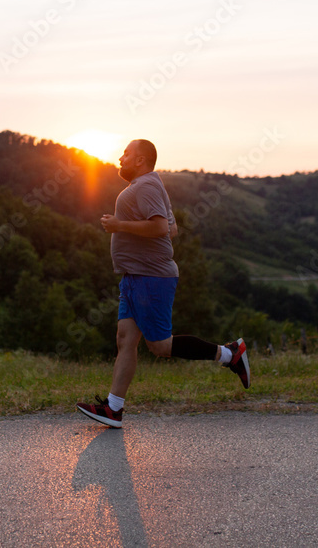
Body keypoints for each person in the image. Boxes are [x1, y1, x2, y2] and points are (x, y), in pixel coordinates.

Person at [76, 139, 250, 429]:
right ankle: (113, 409)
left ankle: (230, 354)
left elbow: (160, 228)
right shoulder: (148, 185)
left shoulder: (146, 185)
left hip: (151, 278)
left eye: (126, 154)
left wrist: (119, 225)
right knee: (125, 339)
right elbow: (173, 228)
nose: (120, 158)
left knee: (159, 346)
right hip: (134, 277)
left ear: (141, 160)